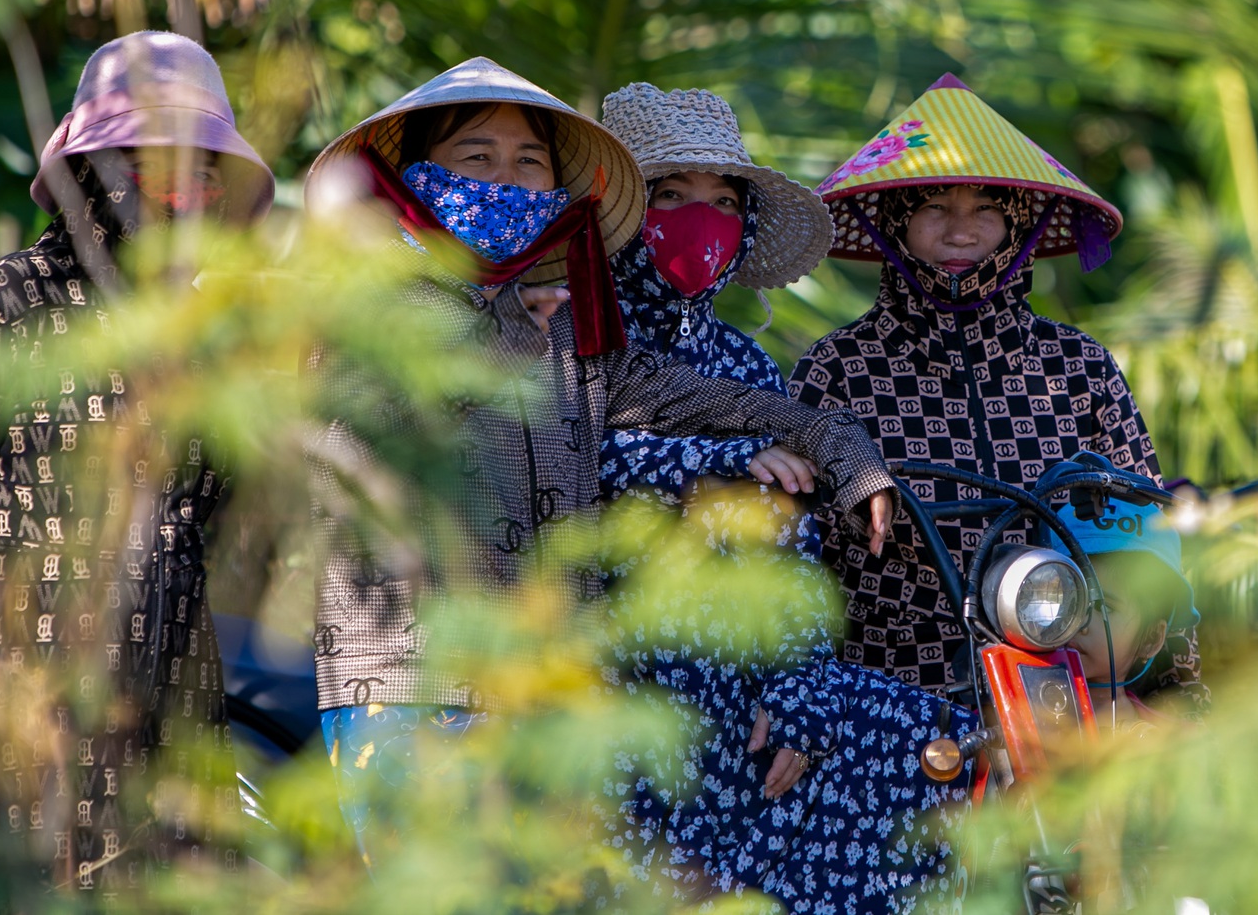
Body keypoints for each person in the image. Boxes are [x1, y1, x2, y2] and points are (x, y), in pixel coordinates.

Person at [299, 59, 896, 860]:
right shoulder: (364, 314)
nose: (506, 179)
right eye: (476, 158)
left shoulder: (571, 342)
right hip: (415, 693)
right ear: (414, 182)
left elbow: (734, 407)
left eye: (529, 162)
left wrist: (840, 446)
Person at [596, 83, 976, 915]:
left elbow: (798, 556)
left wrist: (800, 687)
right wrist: (717, 461)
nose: (703, 219)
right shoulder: (569, 337)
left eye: (723, 202)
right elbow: (589, 459)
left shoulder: (747, 364)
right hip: (621, 681)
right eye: (671, 196)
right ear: (621, 212)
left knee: (935, 747)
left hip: (753, 681)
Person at [0, 32, 275, 894]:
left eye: (207, 173)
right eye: (159, 165)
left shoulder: (214, 339)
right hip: (14, 706)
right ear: (92, 171)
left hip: (175, 701)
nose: (188, 194)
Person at [791, 74, 1202, 704]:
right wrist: (800, 703)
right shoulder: (836, 368)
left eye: (985, 209)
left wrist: (1175, 703)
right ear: (896, 222)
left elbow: (1149, 543)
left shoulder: (1080, 367)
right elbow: (792, 558)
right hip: (882, 698)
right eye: (934, 208)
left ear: (1018, 229)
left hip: (1061, 698)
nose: (961, 233)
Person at [1053, 486, 1201, 728]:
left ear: (1151, 638)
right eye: (1067, 599)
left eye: (1104, 606)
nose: (1078, 621)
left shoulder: (1173, 744)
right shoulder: (1002, 730)